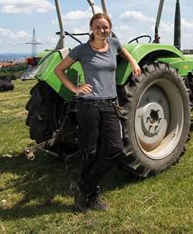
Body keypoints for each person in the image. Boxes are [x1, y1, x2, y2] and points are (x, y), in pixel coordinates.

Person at [54, 12, 141, 212]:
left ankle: (82, 188)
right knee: (90, 152)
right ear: (91, 29)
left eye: (105, 27)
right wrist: (75, 89)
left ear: (110, 28)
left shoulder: (113, 44)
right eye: (98, 27)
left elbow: (124, 52)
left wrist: (133, 62)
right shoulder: (82, 50)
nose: (102, 30)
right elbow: (60, 70)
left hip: (110, 104)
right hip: (88, 106)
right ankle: (92, 197)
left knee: (114, 149)